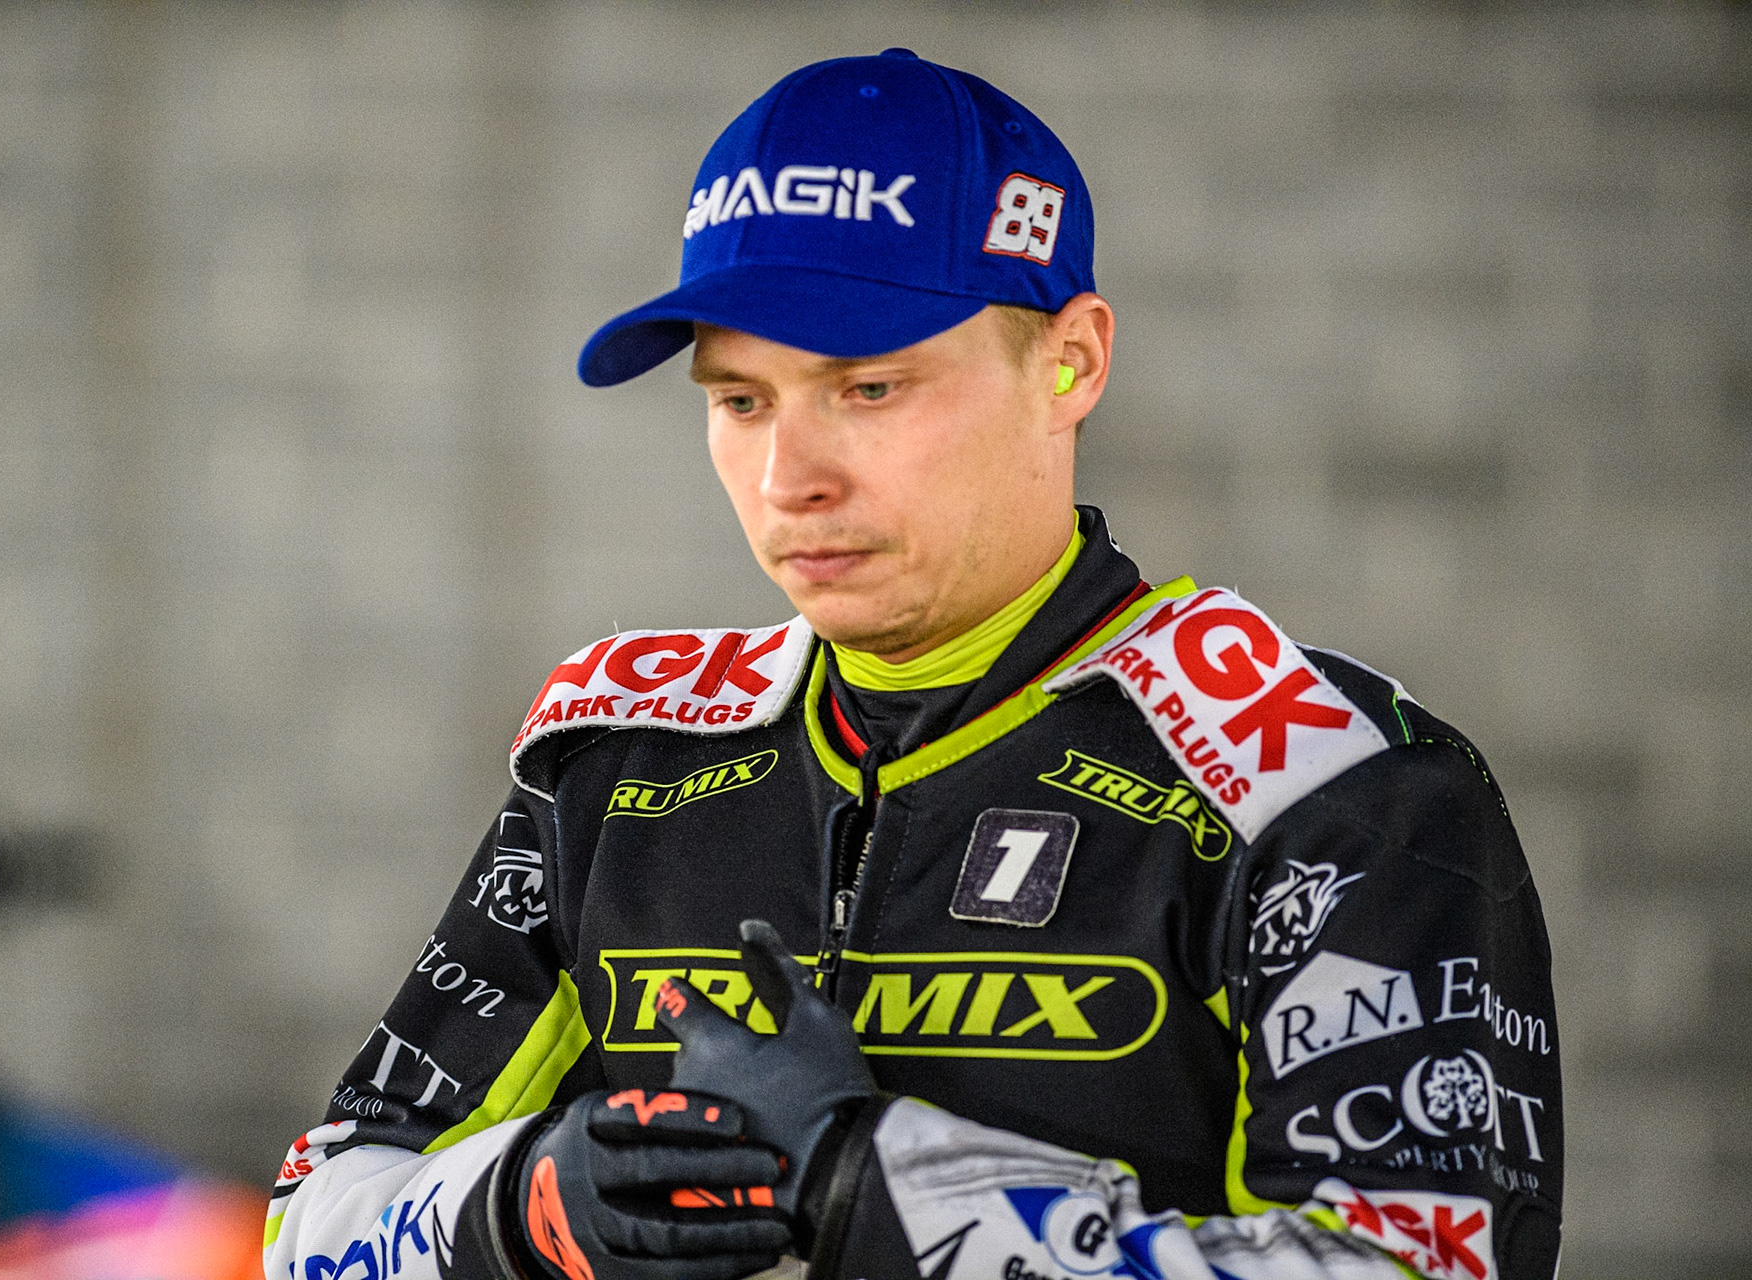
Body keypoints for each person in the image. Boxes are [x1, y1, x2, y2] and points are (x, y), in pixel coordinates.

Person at [263, 50, 1562, 1280]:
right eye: (740, 400)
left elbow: (1414, 1264)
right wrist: (516, 1207)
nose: (790, 480)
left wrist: (863, 1180)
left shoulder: (1326, 784)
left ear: (1072, 360)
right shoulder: (616, 764)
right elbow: (312, 1213)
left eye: (868, 388)